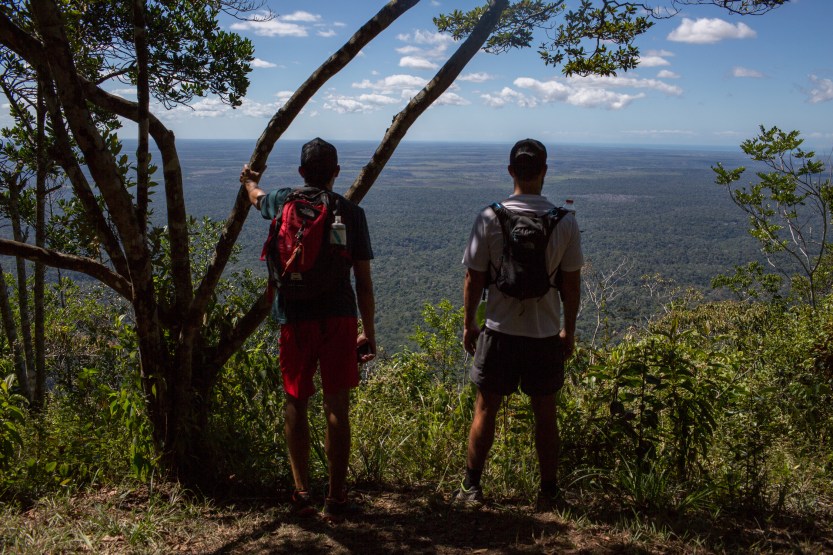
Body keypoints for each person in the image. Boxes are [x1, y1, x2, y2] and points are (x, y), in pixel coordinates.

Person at [240, 138, 376, 522]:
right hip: (339, 318)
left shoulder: (283, 200)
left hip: (293, 317)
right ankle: (336, 497)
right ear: (336, 172)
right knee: (337, 406)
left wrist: (248, 181)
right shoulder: (350, 212)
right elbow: (363, 283)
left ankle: (301, 493)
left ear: (301, 172)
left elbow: (257, 197)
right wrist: (368, 332)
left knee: (295, 401)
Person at [456, 138, 583, 509]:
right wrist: (569, 331)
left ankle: (471, 489)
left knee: (485, 409)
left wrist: (469, 325)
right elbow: (571, 284)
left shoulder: (489, 217)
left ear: (511, 171)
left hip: (498, 330)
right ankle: (548, 494)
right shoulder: (565, 222)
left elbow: (473, 279)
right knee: (545, 415)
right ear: (544, 171)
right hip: (544, 334)